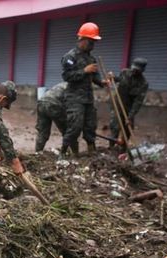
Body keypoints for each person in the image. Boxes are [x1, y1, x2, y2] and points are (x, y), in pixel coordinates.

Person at [61, 22, 106, 157]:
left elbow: (95, 77)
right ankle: (63, 152)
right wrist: (84, 71)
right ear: (83, 39)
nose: (93, 45)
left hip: (88, 98)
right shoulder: (70, 57)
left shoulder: (90, 57)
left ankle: (92, 152)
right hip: (74, 98)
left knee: (90, 127)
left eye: (94, 42)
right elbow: (67, 76)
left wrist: (102, 82)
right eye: (91, 41)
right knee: (75, 127)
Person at [108, 57, 149, 144]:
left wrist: (130, 117)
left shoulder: (143, 83)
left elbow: (138, 102)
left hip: (129, 108)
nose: (134, 71)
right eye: (133, 68)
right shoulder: (124, 72)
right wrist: (113, 77)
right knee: (114, 126)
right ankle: (111, 146)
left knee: (127, 129)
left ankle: (123, 148)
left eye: (137, 70)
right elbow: (118, 79)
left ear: (142, 70)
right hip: (117, 104)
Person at [35, 82, 67, 152]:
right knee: (67, 131)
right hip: (54, 104)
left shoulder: (61, 84)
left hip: (41, 102)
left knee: (42, 132)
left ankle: (38, 152)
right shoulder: (75, 88)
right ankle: (69, 152)